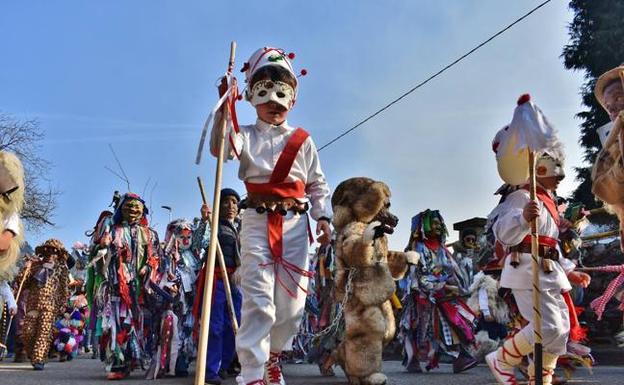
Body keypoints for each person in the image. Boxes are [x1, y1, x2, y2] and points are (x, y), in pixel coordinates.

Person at [209, 47, 332, 385]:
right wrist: (226, 107)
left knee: (291, 309)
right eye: (265, 94)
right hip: (256, 223)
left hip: (296, 226)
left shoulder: (303, 140)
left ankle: (273, 358)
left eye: (281, 96)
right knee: (260, 301)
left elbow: (317, 185)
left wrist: (323, 217)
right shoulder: (245, 135)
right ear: (253, 96)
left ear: (291, 99)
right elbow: (221, 149)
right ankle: (252, 374)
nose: (273, 103)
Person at [485, 150, 591, 385]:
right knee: (548, 328)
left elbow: (550, 244)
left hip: (550, 272)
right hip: (526, 270)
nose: (560, 177)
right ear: (539, 170)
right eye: (556, 170)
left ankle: (540, 379)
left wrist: (569, 270)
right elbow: (502, 232)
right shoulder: (521, 197)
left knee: (560, 331)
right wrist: (522, 218)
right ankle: (502, 359)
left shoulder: (548, 202)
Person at [87, 193, 163, 380]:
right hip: (116, 286)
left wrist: (148, 266)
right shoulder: (112, 230)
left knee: (137, 324)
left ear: (142, 210)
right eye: (128, 206)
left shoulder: (149, 233)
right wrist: (102, 248)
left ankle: (132, 359)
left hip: (140, 287)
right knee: (118, 323)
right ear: (120, 209)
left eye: (136, 207)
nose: (133, 210)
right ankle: (117, 363)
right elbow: (96, 255)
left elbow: (156, 257)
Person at [399, 209, 478, 374]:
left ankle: (460, 358)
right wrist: (440, 283)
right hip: (421, 296)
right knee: (416, 327)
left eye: (439, 223)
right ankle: (412, 359)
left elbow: (453, 272)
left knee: (455, 322)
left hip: (443, 295)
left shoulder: (443, 248)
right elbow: (418, 275)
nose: (438, 226)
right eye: (434, 223)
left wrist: (456, 286)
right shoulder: (417, 247)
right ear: (424, 226)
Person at [194, 188, 243, 385]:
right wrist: (204, 221)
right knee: (214, 326)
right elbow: (198, 244)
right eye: (226, 202)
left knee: (234, 324)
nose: (231, 206)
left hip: (235, 281)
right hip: (217, 280)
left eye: (234, 202)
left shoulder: (241, 227)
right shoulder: (211, 225)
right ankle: (209, 369)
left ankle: (224, 365)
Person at [17, 239, 71, 370]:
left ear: (58, 254)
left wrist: (63, 304)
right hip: (33, 304)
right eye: (47, 250)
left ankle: (39, 359)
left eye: (54, 251)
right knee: (27, 331)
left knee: (44, 332)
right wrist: (25, 269)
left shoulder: (61, 269)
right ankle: (32, 354)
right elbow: (23, 283)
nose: (50, 253)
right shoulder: (35, 266)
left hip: (50, 305)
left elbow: (64, 288)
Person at [592, 64, 624, 249]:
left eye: (619, 97)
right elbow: (604, 189)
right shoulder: (611, 150)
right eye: (609, 107)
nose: (613, 110)